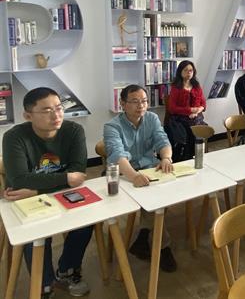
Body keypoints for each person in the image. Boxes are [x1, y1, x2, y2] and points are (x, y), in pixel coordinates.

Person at [2, 87, 91, 298]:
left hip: (47, 193)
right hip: (29, 200)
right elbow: (19, 180)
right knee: (36, 232)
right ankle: (44, 283)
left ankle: (67, 271)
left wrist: (36, 189)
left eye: (59, 108)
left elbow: (78, 174)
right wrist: (65, 178)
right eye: (47, 110)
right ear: (28, 115)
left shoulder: (74, 131)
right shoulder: (14, 137)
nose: (56, 115)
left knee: (87, 221)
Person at [103, 84, 177, 272]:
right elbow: (118, 155)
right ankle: (163, 246)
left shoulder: (151, 118)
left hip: (149, 168)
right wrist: (134, 176)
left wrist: (166, 158)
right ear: (122, 104)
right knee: (154, 202)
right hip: (124, 173)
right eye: (135, 102)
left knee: (165, 193)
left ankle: (143, 236)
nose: (141, 106)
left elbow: (163, 141)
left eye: (144, 101)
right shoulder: (112, 126)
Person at [167, 60, 207, 161]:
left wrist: (196, 111)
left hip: (196, 117)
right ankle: (187, 156)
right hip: (179, 118)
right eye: (185, 70)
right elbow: (172, 108)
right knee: (190, 130)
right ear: (180, 71)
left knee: (198, 128)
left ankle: (197, 155)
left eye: (191, 70)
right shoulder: (176, 87)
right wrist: (190, 110)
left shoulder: (196, 86)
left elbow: (203, 104)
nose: (188, 73)